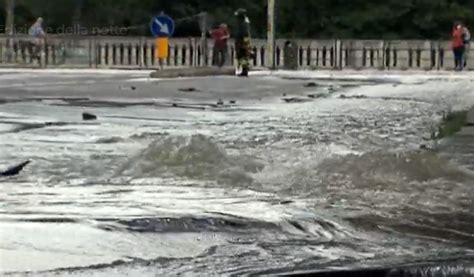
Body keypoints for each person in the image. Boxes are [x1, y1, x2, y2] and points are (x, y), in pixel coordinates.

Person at [234, 8, 253, 77]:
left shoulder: (243, 23)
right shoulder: (244, 22)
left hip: (242, 41)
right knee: (243, 56)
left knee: (242, 55)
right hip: (242, 41)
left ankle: (245, 70)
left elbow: (244, 33)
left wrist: (243, 43)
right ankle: (244, 70)